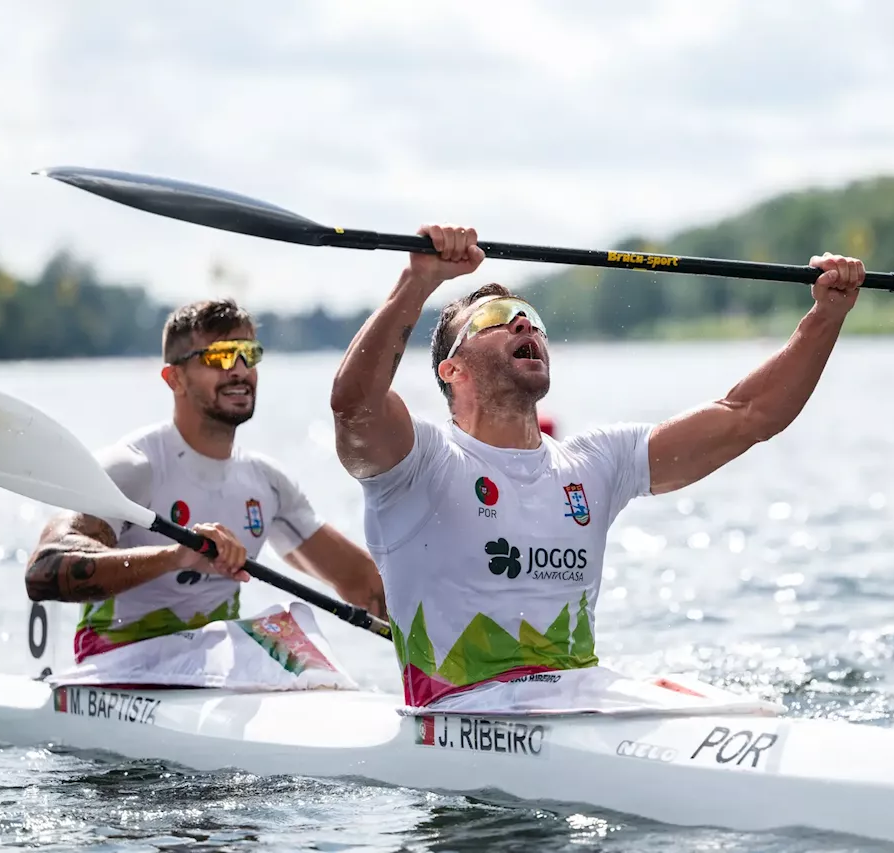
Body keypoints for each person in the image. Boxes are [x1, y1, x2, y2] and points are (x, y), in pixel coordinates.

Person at [329, 224, 863, 714]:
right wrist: (417, 282)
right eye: (495, 319)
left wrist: (826, 318)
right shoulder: (418, 464)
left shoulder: (595, 462)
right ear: (454, 369)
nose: (522, 322)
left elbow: (749, 416)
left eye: (531, 318)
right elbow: (355, 404)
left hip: (583, 699)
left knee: (757, 712)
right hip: (462, 710)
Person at [26, 298, 386, 691]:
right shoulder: (133, 467)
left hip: (210, 668)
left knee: (293, 620)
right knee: (284, 628)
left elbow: (366, 585)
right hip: (117, 665)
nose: (239, 370)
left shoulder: (266, 482)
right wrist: (176, 556)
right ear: (174, 379)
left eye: (248, 354)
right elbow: (45, 570)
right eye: (219, 357)